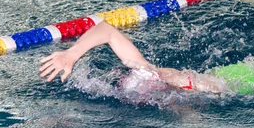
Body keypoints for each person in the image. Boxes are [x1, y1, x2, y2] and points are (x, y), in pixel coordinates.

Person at [40, 21, 234, 93]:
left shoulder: (148, 76)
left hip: (234, 84)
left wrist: (72, 54)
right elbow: (106, 29)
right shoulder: (144, 78)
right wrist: (72, 53)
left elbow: (106, 30)